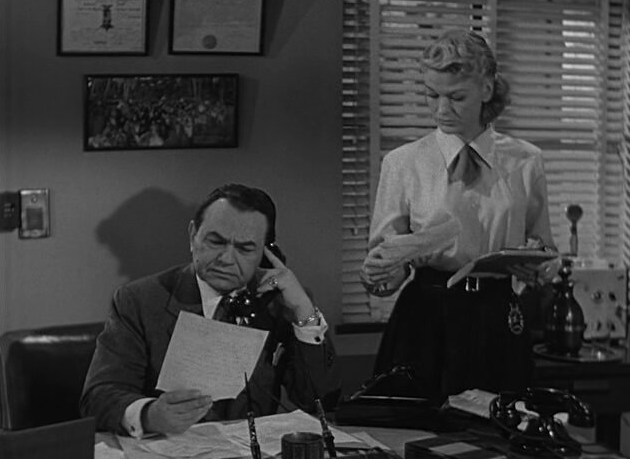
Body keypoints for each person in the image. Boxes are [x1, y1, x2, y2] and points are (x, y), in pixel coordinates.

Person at [360, 29, 557, 401]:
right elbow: (387, 269)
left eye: (456, 97)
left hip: (497, 319)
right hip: (425, 320)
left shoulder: (525, 161)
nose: (441, 110)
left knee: (500, 425)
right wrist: (378, 274)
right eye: (431, 95)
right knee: (419, 426)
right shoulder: (403, 163)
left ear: (486, 89)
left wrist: (538, 266)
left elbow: (544, 248)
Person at [81, 184, 341, 436]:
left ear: (265, 253)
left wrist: (304, 312)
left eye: (245, 248)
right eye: (215, 242)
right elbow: (98, 398)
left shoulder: (279, 303)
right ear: (193, 235)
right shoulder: (139, 300)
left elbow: (321, 401)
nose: (226, 259)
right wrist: (150, 415)